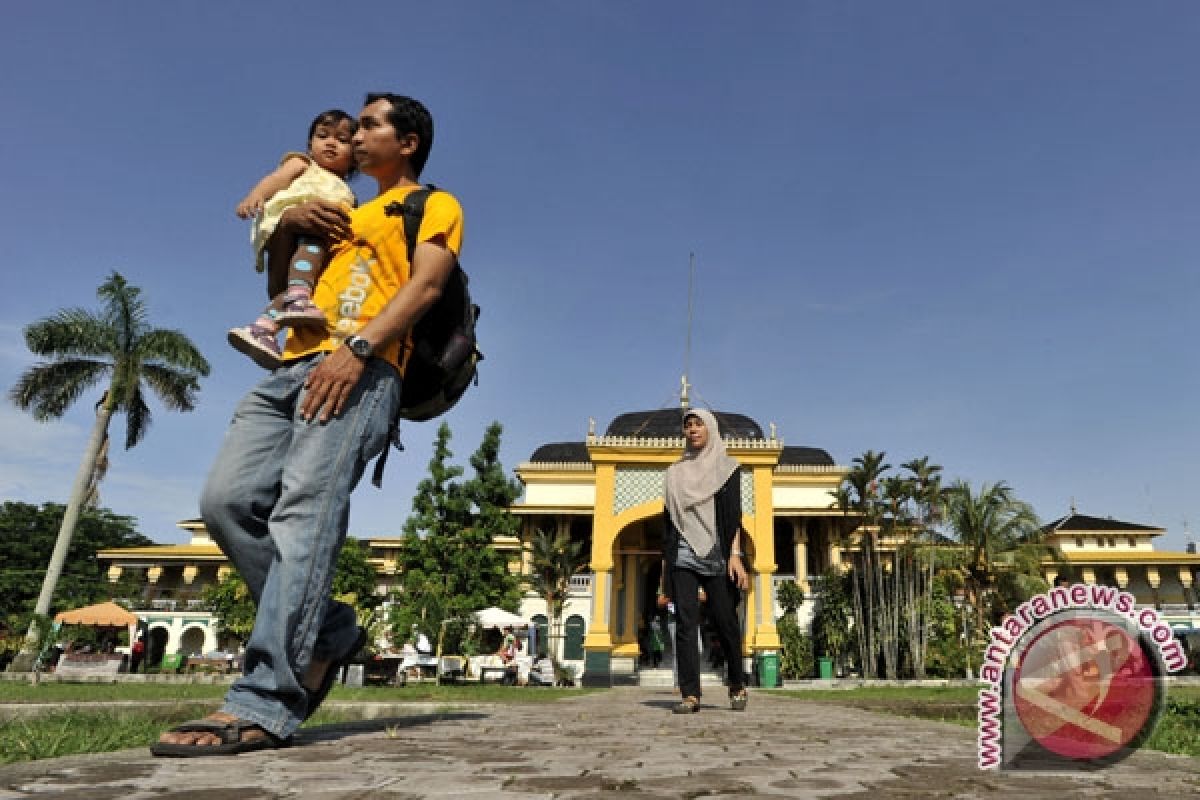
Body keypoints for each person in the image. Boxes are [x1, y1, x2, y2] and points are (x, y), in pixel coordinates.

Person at [153, 92, 463, 757]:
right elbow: (281, 293)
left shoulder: (431, 205)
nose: (355, 135)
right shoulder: (339, 207)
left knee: (303, 515)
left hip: (363, 367)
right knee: (227, 502)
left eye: (372, 125)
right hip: (289, 368)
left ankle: (265, 699)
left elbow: (427, 287)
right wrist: (293, 226)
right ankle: (325, 629)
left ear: (407, 143)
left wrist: (359, 351)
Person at [228, 109, 358, 369]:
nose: (331, 142)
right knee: (306, 268)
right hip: (298, 220)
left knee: (303, 283)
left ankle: (262, 328)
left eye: (342, 140)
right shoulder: (303, 164)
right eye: (323, 136)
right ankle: (298, 298)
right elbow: (277, 178)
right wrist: (255, 196)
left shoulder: (347, 193)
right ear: (310, 145)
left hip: (315, 242)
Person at [660, 408, 750, 714]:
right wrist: (666, 569)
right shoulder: (674, 472)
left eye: (698, 424)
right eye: (688, 426)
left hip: (717, 552)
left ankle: (737, 684)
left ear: (709, 428)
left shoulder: (727, 468)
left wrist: (735, 555)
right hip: (683, 551)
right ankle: (690, 694)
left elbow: (734, 516)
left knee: (725, 622)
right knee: (686, 622)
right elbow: (669, 521)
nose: (693, 430)